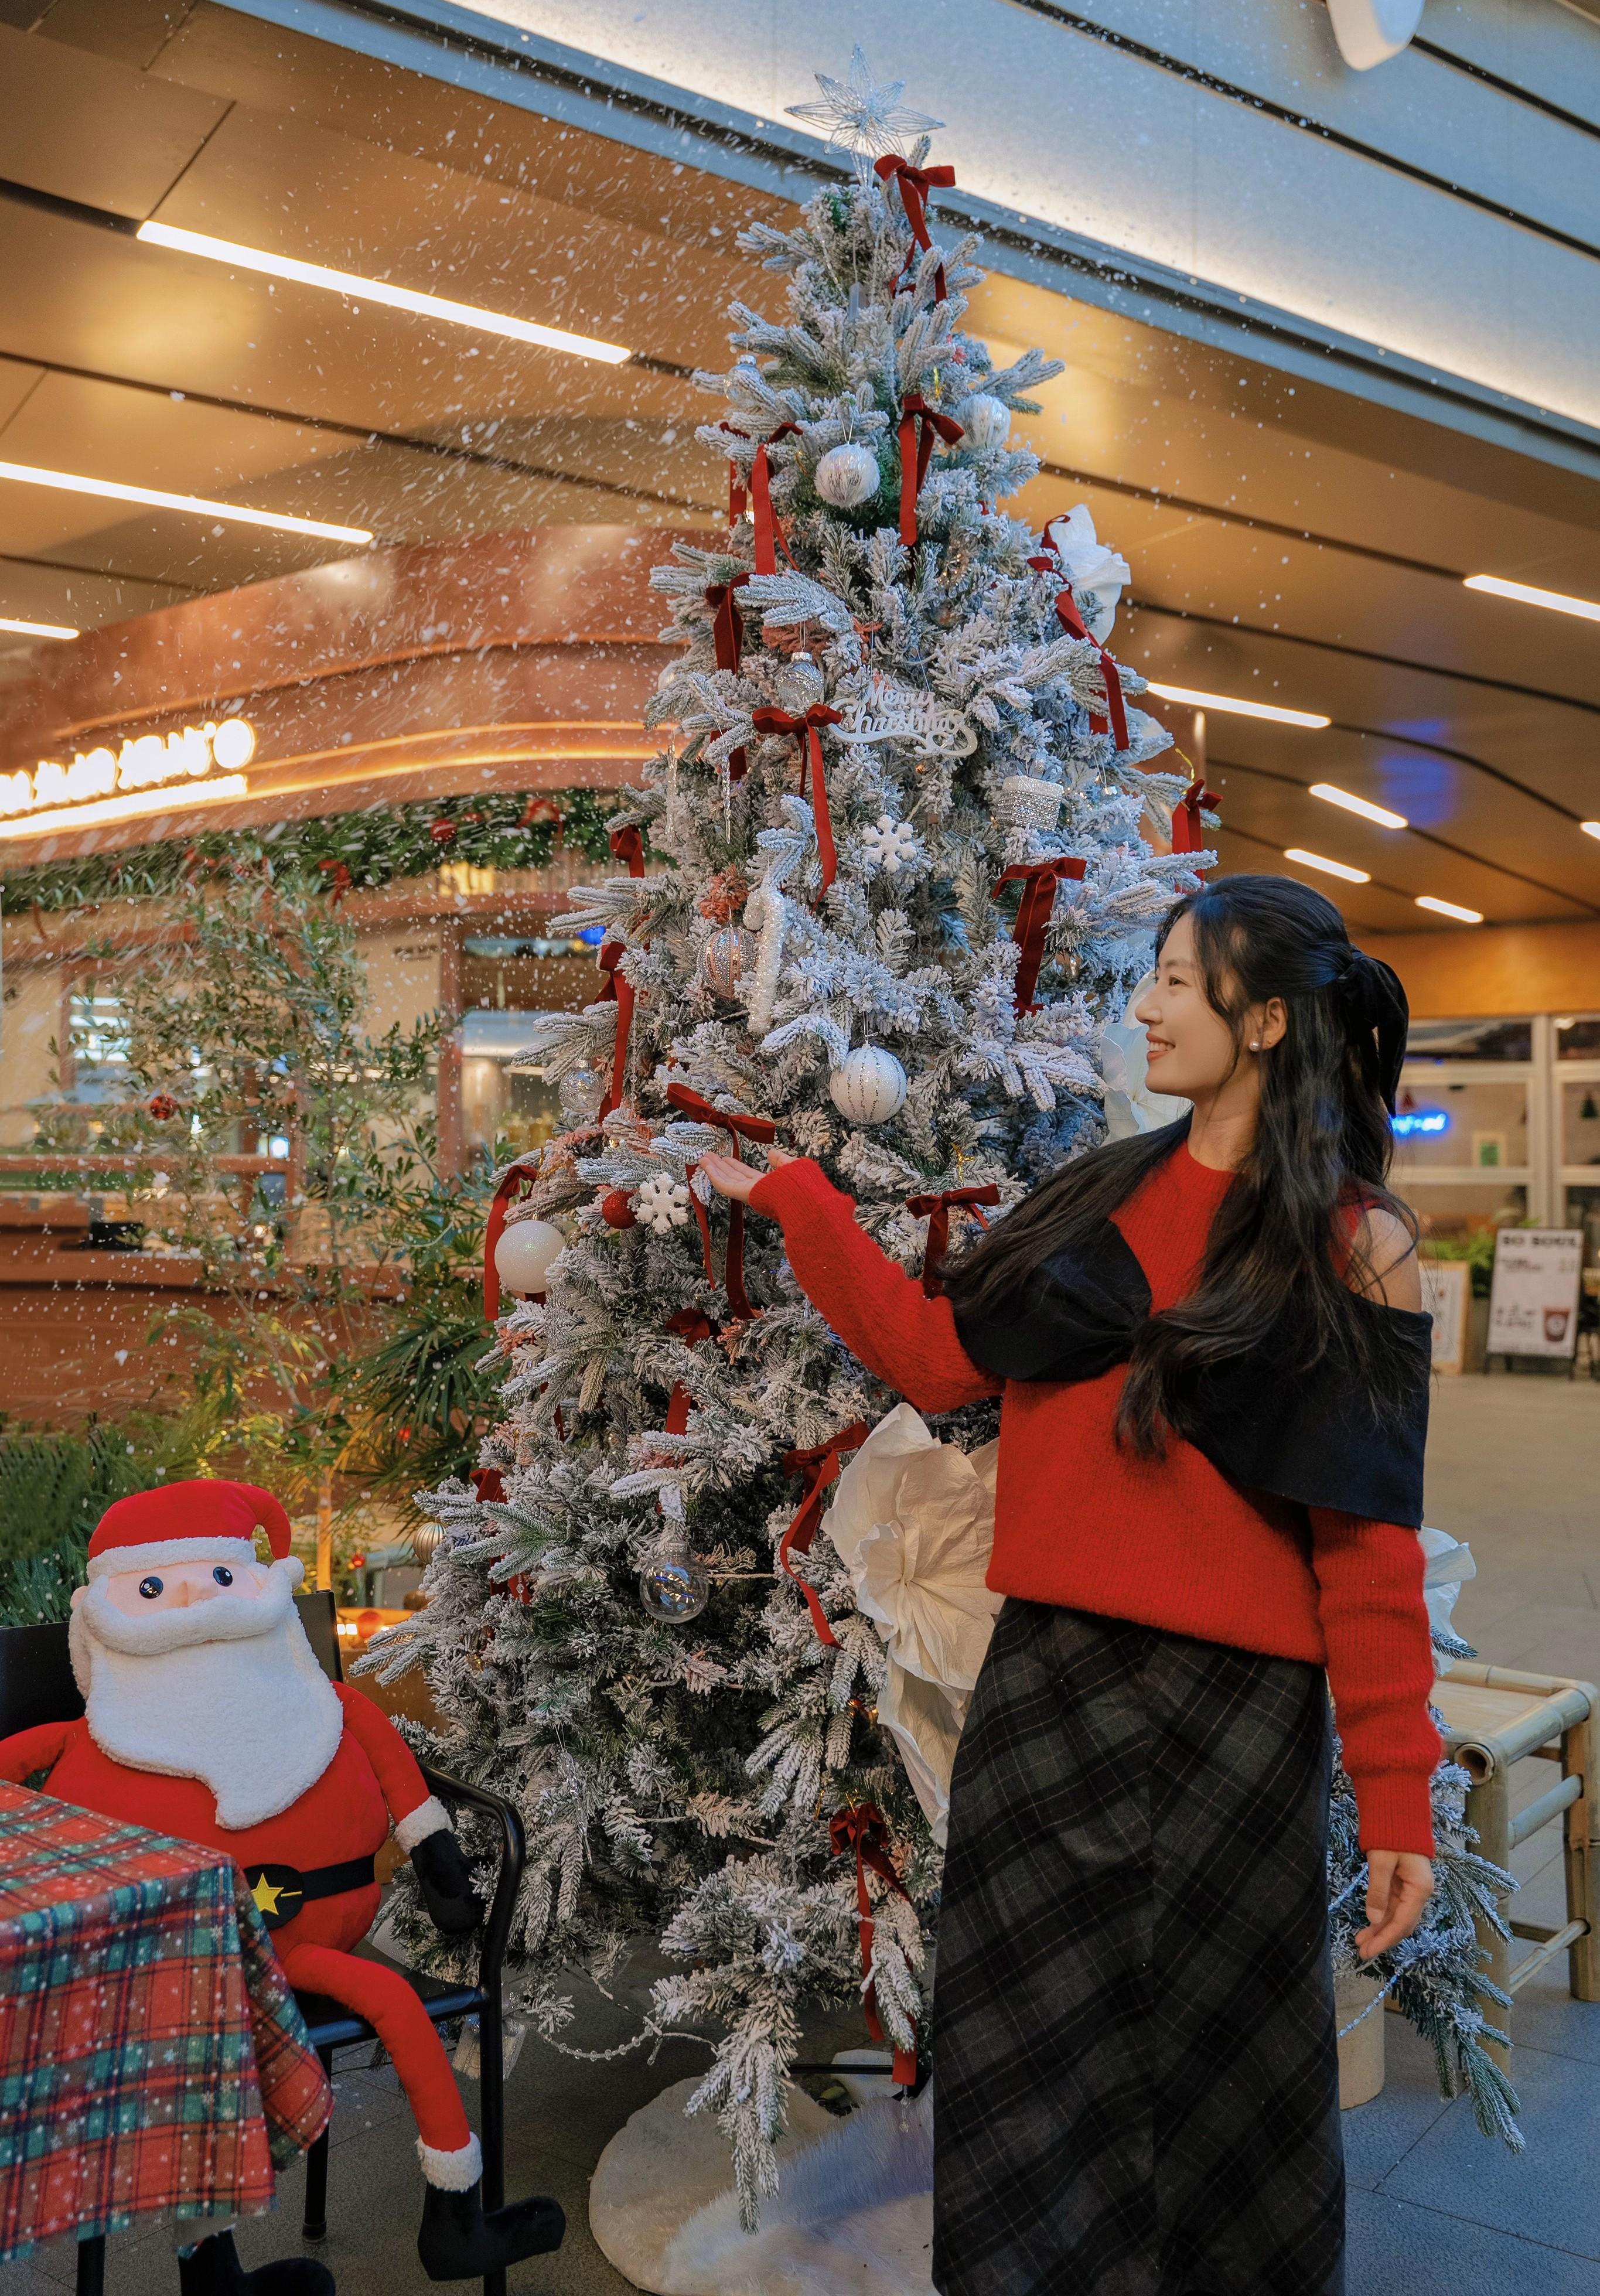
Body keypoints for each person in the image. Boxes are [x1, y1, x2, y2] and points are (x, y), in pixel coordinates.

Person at [700, 874, 1439, 2296]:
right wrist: (795, 1197)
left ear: (1265, 1020)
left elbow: (1365, 1547)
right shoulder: (1097, 1199)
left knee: (1229, 2068)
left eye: (1179, 980)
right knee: (1029, 2059)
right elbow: (933, 1359)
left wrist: (1395, 1792)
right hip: (1049, 1691)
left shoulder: (1357, 1247)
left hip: (1239, 1722)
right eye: (1151, 975)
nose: (1145, 1005)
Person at [0, 1480, 565, 2291]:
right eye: (153, 1589)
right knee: (194, 2068)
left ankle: (457, 2220)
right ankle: (214, 2275)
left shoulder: (319, 1702)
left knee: (395, 2001)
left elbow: (396, 1772)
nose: (195, 1601)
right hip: (174, 1964)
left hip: (309, 1941)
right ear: (106, 1611)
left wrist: (437, 1859)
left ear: (255, 1584)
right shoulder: (99, 1730)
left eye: (218, 1578)